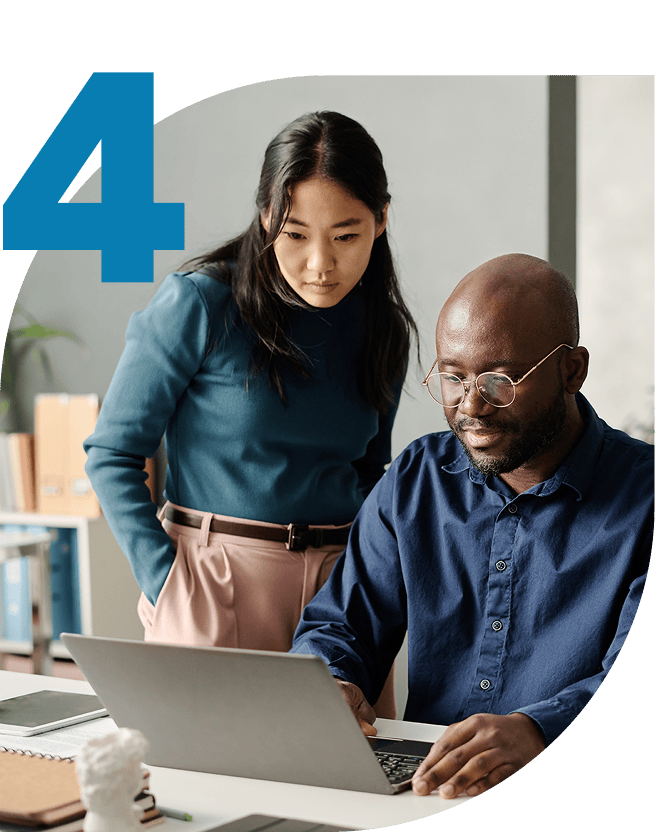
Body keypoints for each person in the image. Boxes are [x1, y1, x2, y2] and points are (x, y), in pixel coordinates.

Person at [84, 112, 418, 718]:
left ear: (382, 220)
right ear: (266, 217)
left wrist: (370, 584)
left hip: (340, 599)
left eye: (346, 236)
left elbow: (372, 472)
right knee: (208, 790)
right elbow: (113, 452)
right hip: (213, 583)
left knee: (349, 789)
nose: (321, 263)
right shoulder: (201, 303)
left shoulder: (382, 328)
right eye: (295, 234)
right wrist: (168, 583)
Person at [291, 252, 654, 796]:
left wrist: (538, 732)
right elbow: (339, 625)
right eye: (453, 378)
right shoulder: (418, 478)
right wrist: (329, 681)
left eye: (499, 382)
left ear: (571, 370)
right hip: (425, 793)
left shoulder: (644, 499)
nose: (471, 407)